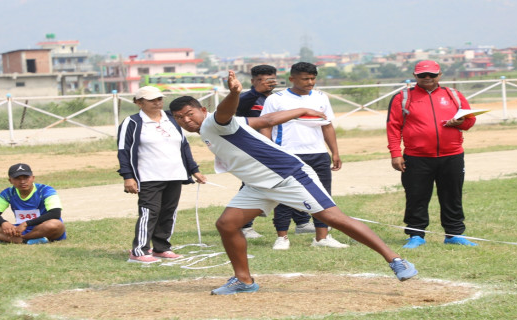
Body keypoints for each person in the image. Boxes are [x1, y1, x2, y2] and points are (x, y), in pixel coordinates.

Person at [169, 70, 418, 295]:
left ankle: (396, 260)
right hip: (259, 185)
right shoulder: (214, 127)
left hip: (288, 176)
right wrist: (299, 111)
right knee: (226, 224)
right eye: (180, 118)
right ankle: (243, 281)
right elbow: (266, 121)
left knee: (334, 218)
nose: (186, 120)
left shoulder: (214, 121)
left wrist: (234, 93)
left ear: (202, 110)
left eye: (190, 114)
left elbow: (224, 111)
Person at [386, 60, 478, 249]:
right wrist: (396, 153)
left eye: (432, 75)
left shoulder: (454, 95)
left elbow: (469, 122)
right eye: (422, 75)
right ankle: (416, 235)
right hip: (416, 157)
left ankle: (454, 234)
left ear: (439, 75)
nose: (427, 78)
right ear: (415, 76)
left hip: (452, 155)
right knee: (416, 196)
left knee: (452, 195)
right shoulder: (402, 97)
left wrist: (459, 123)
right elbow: (393, 127)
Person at [259, 62, 346, 250]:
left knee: (323, 196)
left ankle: (321, 238)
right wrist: (270, 151)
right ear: (292, 79)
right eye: (305, 78)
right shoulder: (277, 99)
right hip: (288, 154)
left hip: (318, 154)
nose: (310, 82)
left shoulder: (321, 97)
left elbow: (327, 125)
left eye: (313, 78)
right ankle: (282, 237)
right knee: (285, 196)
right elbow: (265, 124)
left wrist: (334, 152)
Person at [117, 86, 206, 264]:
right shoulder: (132, 122)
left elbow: (184, 146)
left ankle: (161, 247)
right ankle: (139, 250)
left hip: (175, 174)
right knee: (149, 212)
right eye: (151, 100)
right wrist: (128, 176)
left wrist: (194, 170)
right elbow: (123, 150)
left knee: (168, 212)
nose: (157, 102)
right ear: (139, 103)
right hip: (149, 175)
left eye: (159, 99)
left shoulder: (172, 119)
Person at [237, 64, 315, 239]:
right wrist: (256, 92)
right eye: (261, 81)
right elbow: (239, 110)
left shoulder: (278, 99)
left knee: (292, 182)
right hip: (252, 149)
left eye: (271, 80)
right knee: (251, 184)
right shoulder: (247, 99)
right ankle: (243, 225)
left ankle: (302, 221)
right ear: (253, 81)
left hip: (276, 149)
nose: (267, 84)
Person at [0, 163, 66, 244]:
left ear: (33, 178)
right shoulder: (8, 193)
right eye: (17, 178)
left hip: (42, 228)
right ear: (10, 181)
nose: (22, 182)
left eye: (26, 178)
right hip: (20, 229)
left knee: (55, 224)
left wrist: (26, 223)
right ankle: (26, 241)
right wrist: (4, 222)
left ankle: (11, 239)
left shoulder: (46, 190)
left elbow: (55, 213)